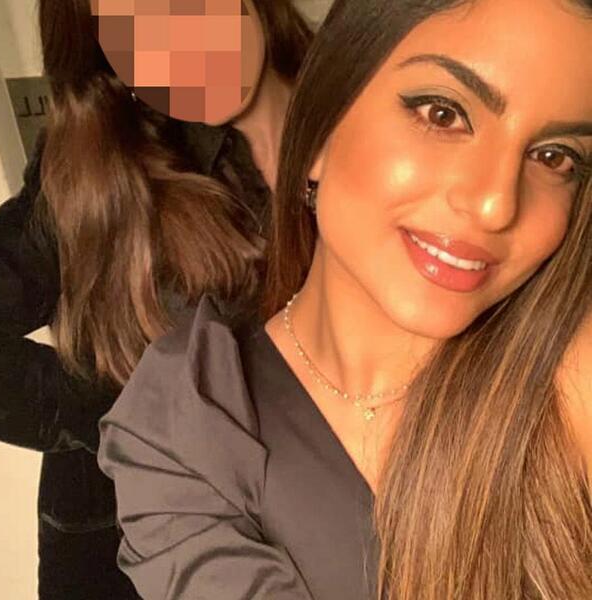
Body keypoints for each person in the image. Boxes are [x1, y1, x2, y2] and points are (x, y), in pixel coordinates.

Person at [98, 0, 592, 598]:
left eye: (554, 156)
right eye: (443, 114)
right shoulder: (194, 414)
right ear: (317, 135)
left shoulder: (569, 375)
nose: (495, 205)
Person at [0, 1, 316, 598]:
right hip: (128, 565)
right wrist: (121, 413)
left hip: (341, 542)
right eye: (128, 28)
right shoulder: (97, 169)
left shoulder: (372, 102)